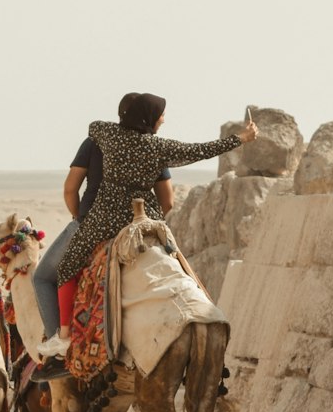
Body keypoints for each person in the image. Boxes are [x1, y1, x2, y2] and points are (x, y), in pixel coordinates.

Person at [41, 94, 258, 360]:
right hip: (143, 217)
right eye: (160, 115)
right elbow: (200, 150)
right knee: (176, 260)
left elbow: (93, 127)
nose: (163, 120)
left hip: (104, 217)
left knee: (66, 266)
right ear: (148, 119)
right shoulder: (159, 147)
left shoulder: (108, 134)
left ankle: (63, 338)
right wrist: (242, 138)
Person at [31, 111, 175, 345]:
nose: (163, 120)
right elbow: (168, 201)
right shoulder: (154, 147)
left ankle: (58, 344)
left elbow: (70, 189)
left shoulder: (95, 142)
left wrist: (80, 218)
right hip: (137, 226)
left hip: (92, 223)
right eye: (160, 116)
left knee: (42, 278)